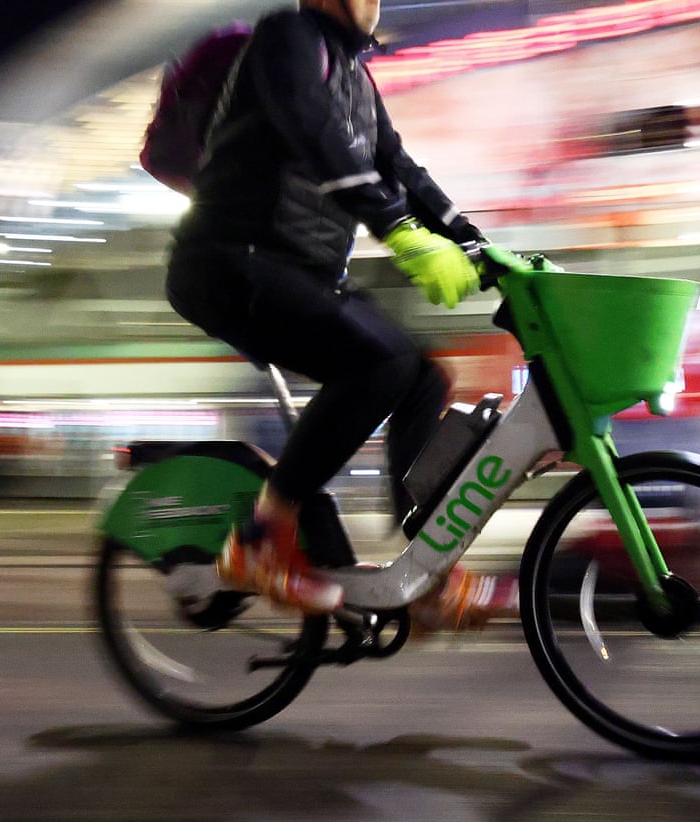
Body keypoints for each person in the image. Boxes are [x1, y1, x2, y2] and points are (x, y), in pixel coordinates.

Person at [165, 0, 497, 620]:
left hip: (297, 272)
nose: (375, 2)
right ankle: (260, 541)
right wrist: (398, 230)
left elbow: (398, 167)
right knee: (381, 364)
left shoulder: (356, 78)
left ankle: (425, 566)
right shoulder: (287, 37)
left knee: (421, 376)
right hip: (229, 261)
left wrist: (477, 243)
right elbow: (311, 129)